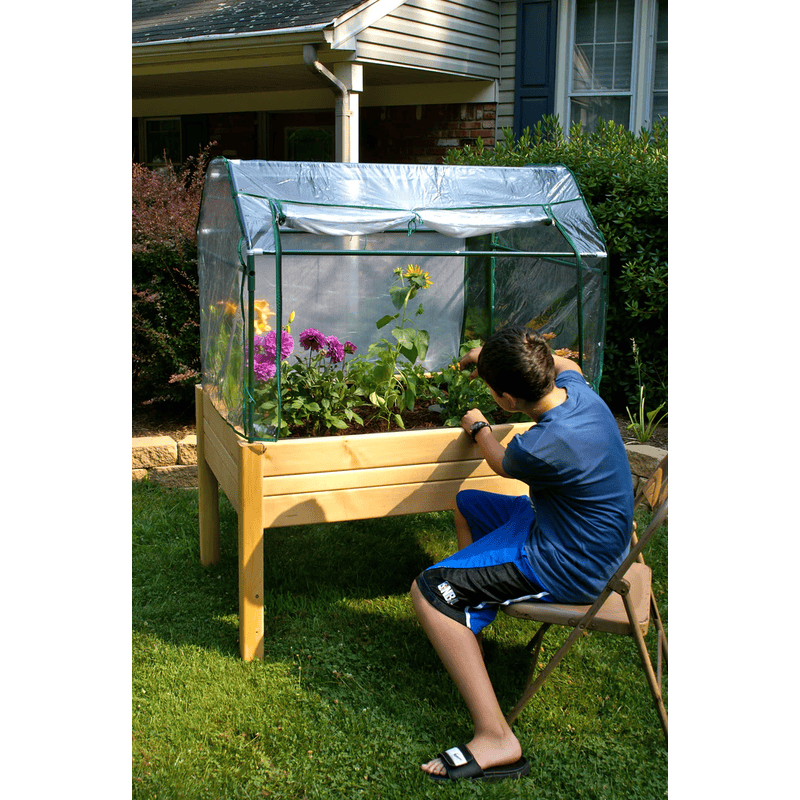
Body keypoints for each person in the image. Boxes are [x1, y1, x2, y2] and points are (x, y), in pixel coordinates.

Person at [411, 325, 634, 782]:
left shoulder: (540, 446)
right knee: (469, 504)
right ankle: (468, 629)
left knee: (429, 590)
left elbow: (497, 458)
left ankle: (497, 738)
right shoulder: (579, 392)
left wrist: (477, 426)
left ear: (507, 400)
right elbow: (568, 364)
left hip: (570, 563)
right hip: (593, 539)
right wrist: (484, 355)